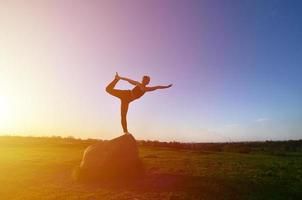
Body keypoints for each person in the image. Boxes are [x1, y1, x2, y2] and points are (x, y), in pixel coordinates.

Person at [106, 72, 172, 134]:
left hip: (126, 101)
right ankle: (116, 79)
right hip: (125, 94)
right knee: (108, 89)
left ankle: (125, 132)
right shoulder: (138, 84)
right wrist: (120, 77)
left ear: (147, 82)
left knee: (123, 115)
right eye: (144, 80)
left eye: (146, 81)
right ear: (143, 80)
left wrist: (166, 87)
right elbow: (129, 80)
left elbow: (157, 87)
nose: (144, 81)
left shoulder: (147, 89)